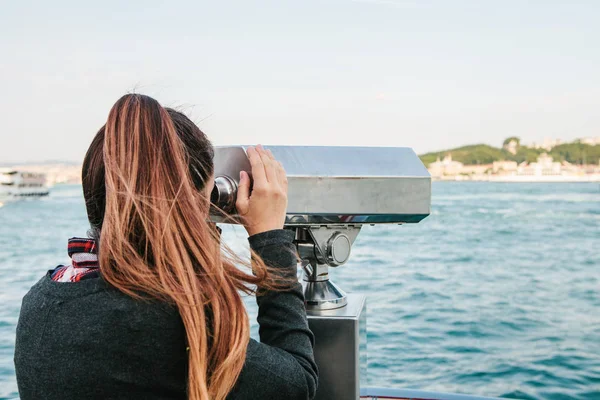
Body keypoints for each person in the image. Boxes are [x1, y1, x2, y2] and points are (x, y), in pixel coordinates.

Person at [14, 94, 318, 400]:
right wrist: (269, 238)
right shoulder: (170, 324)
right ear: (192, 205)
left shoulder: (39, 302)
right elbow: (296, 383)